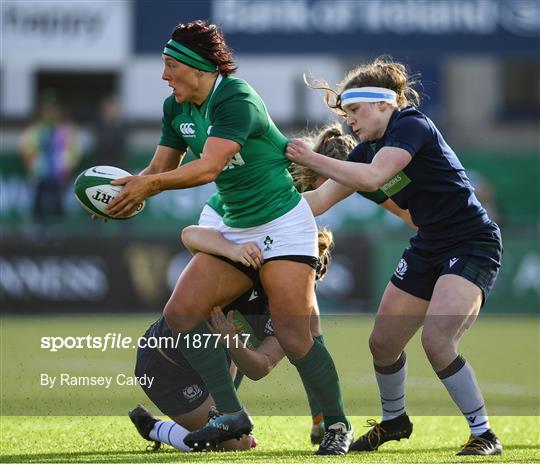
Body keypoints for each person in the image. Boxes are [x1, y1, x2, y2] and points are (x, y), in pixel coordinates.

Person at [106, 20, 352, 455]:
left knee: (296, 336)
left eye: (169, 66)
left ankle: (335, 425)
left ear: (196, 66)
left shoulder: (236, 98)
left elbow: (208, 169)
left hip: (281, 222)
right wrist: (126, 191)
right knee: (182, 312)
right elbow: (159, 168)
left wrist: (149, 187)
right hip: (231, 222)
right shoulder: (175, 108)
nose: (164, 76)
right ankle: (230, 413)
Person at [286, 56, 503, 456]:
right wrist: (250, 212)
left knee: (437, 341)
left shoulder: (411, 125)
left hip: (472, 241)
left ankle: (484, 433)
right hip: (430, 243)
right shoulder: (367, 149)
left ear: (384, 104)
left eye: (355, 110)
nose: (350, 120)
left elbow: (372, 179)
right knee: (383, 344)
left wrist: (311, 158)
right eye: (346, 112)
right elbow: (316, 201)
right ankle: (394, 421)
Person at [129, 219, 335, 452]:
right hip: (166, 368)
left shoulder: (293, 311)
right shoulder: (246, 265)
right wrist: (232, 249)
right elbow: (189, 234)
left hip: (216, 374)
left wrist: (231, 340)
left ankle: (161, 426)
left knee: (237, 440)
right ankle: (154, 428)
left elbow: (260, 367)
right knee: (239, 443)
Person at [20, 91, 81, 223]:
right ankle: (38, 229)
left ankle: (58, 231)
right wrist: (32, 166)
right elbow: (26, 150)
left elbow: (74, 151)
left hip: (60, 173)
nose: (50, 113)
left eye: (52, 109)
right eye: (47, 110)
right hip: (39, 173)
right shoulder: (34, 129)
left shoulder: (66, 129)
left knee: (59, 205)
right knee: (38, 205)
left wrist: (68, 166)